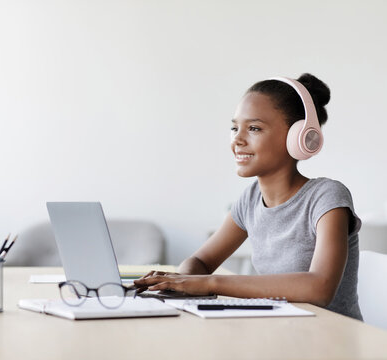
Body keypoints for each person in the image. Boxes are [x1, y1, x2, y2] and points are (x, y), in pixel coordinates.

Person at [134, 73, 363, 320]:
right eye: (234, 128)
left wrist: (210, 283)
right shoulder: (250, 199)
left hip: (331, 340)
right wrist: (182, 281)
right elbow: (200, 261)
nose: (237, 140)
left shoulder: (327, 197)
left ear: (298, 136)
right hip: (280, 332)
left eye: (254, 128)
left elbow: (319, 288)